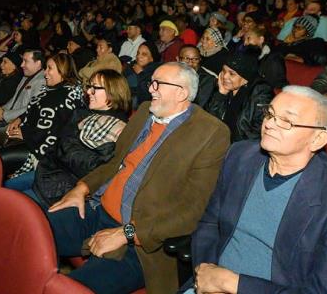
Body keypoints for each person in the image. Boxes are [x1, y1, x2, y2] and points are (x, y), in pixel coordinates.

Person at [46, 62, 230, 294]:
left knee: (70, 290)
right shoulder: (145, 111)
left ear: (181, 93)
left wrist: (127, 233)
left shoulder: (211, 133)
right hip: (97, 210)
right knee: (29, 236)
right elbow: (114, 163)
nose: (150, 88)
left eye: (157, 83)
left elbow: (190, 213)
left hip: (142, 243)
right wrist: (81, 188)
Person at [181, 87, 327, 294]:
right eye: (270, 113)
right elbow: (209, 223)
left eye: (287, 121)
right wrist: (206, 272)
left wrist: (232, 284)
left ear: (317, 139)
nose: (269, 124)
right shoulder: (240, 156)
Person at [31, 70, 130, 207]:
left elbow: (94, 169)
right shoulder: (84, 113)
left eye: (95, 88)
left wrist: (67, 144)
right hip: (49, 172)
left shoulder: (118, 128)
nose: (89, 92)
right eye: (89, 87)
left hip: (64, 187)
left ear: (112, 93)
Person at [2, 54, 85, 197]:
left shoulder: (69, 97)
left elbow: (57, 133)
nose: (45, 73)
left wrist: (26, 134)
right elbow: (35, 109)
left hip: (44, 151)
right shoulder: (52, 89)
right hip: (29, 137)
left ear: (62, 71)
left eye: (49, 68)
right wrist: (20, 119)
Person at [0, 49, 47, 144]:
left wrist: (3, 115)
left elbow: (30, 108)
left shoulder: (41, 81)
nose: (21, 65)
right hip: (8, 117)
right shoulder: (26, 77)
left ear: (38, 63)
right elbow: (13, 100)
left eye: (26, 61)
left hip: (16, 125)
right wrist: (0, 110)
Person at [204, 49, 274, 143]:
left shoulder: (261, 93)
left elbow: (256, 133)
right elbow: (209, 119)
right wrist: (221, 94)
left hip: (239, 147)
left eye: (232, 74)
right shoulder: (225, 86)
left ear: (245, 78)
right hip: (218, 139)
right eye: (224, 71)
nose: (225, 76)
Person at [241, 25, 288, 89]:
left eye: (248, 38)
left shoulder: (273, 59)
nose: (245, 43)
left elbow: (272, 86)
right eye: (244, 40)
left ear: (261, 39)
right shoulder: (250, 55)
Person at [124, 40, 160, 109]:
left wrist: (141, 74)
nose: (139, 56)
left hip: (141, 105)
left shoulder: (156, 72)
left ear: (152, 58)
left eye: (144, 54)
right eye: (138, 53)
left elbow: (147, 96)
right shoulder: (132, 66)